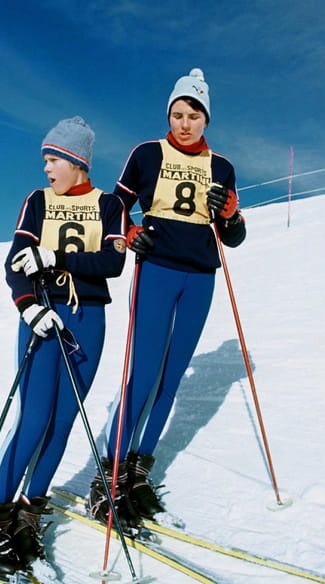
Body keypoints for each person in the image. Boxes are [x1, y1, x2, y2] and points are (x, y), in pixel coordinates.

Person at [0, 116, 127, 581]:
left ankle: (29, 514)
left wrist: (57, 257)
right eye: (45, 158)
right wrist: (28, 307)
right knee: (34, 418)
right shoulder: (37, 202)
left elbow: (113, 260)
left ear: (77, 161)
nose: (46, 168)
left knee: (62, 422)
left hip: (87, 316)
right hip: (42, 313)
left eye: (53, 158)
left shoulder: (110, 204)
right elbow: (14, 263)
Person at [88, 68, 246, 527]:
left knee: (172, 376)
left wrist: (231, 216)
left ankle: (138, 470)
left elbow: (232, 236)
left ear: (206, 119)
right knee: (145, 372)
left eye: (194, 115)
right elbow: (113, 205)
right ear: (169, 116)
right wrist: (131, 231)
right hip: (157, 269)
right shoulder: (147, 153)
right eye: (177, 114)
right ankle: (110, 474)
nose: (184, 123)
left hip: (200, 276)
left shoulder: (223, 167)